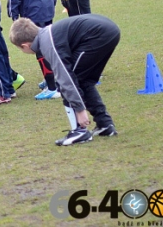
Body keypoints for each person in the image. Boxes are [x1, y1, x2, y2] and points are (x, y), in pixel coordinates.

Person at [9, 15, 120, 146]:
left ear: (25, 45)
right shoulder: (47, 34)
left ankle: (79, 131)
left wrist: (80, 110)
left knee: (68, 82)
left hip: (98, 35)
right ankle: (105, 125)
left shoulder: (48, 44)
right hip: (109, 30)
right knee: (83, 81)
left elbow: (66, 78)